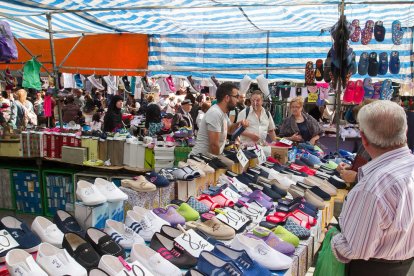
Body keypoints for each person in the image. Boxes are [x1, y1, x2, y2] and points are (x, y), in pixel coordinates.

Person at [331, 100, 414, 276]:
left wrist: (332, 237)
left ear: (364, 139)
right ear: (405, 132)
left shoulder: (372, 188)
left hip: (373, 269)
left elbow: (353, 250)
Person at [191, 82, 249, 155]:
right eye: (236, 96)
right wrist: (219, 163)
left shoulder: (222, 113)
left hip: (208, 158)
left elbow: (230, 130)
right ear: (227, 98)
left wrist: (240, 124)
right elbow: (214, 145)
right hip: (201, 160)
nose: (237, 100)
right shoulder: (215, 113)